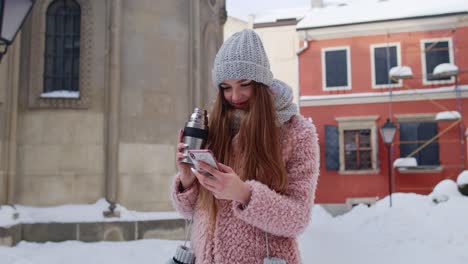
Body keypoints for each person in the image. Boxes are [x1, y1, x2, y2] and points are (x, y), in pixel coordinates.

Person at [171, 29, 320, 264]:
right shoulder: (213, 127)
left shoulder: (295, 132)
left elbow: (298, 219)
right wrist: (187, 179)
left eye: (244, 84)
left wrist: (244, 194)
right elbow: (190, 212)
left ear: (260, 82)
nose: (235, 95)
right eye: (226, 87)